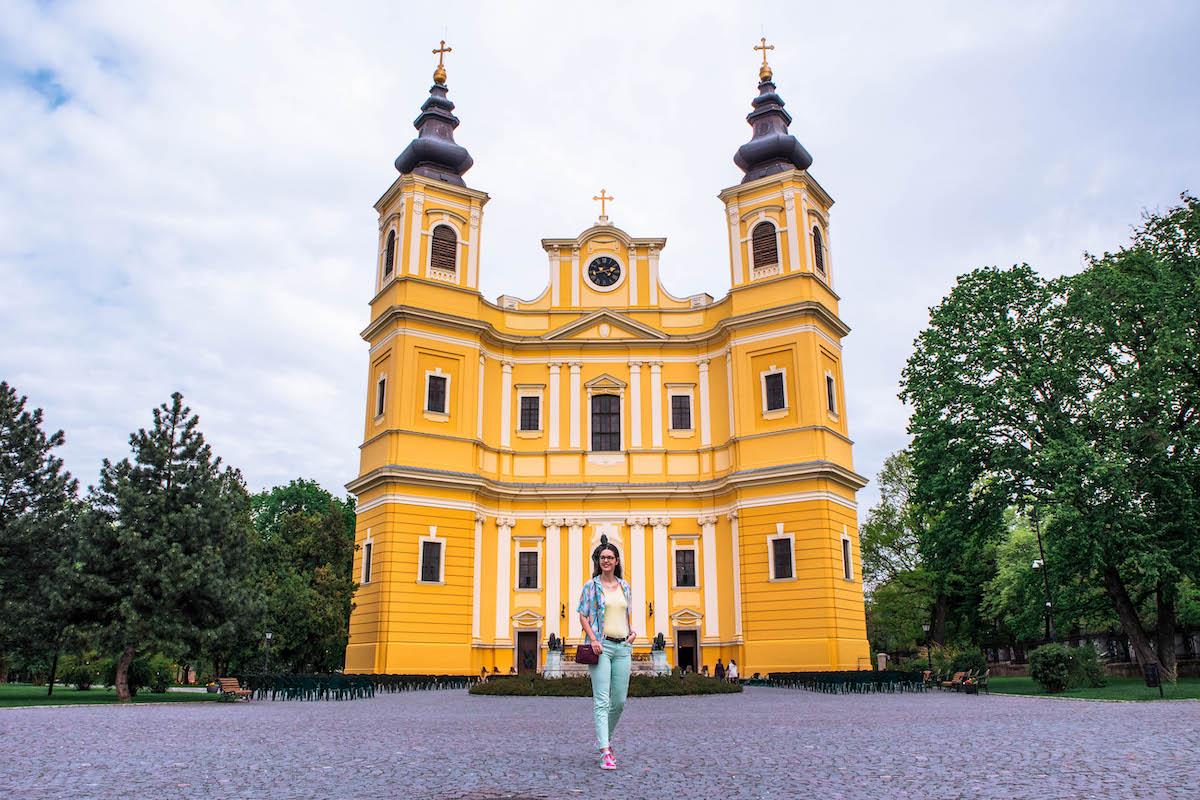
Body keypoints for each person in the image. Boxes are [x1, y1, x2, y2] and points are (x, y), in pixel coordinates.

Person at [577, 535, 635, 771]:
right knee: (602, 700)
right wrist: (592, 639)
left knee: (619, 701)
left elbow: (626, 613)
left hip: (623, 647)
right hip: (601, 647)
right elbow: (582, 614)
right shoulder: (591, 586)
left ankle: (604, 738)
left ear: (617, 560)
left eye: (610, 557)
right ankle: (605, 751)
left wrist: (632, 632)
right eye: (602, 557)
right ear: (598, 561)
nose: (606, 561)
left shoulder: (625, 586)